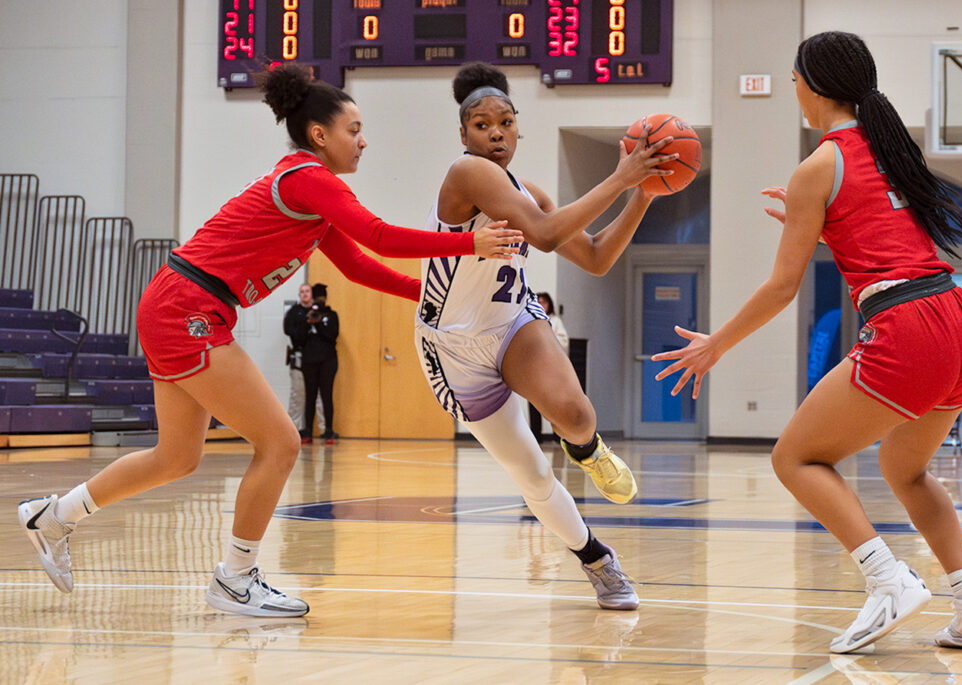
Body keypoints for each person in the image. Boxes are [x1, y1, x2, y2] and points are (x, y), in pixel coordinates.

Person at [17, 63, 522, 618]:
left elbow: (359, 267)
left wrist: (433, 299)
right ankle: (236, 578)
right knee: (281, 441)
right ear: (319, 135)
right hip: (188, 307)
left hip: (179, 304)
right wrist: (466, 244)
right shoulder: (307, 177)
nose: (363, 140)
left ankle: (53, 516)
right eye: (353, 130)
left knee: (177, 457)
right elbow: (378, 235)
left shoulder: (314, 193)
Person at [652, 31, 962, 652]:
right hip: (956, 321)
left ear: (813, 85)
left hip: (906, 326)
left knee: (795, 457)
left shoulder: (819, 165)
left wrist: (717, 344)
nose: (794, 93)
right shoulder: (891, 150)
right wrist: (823, 226)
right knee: (907, 470)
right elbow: (888, 240)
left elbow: (782, 287)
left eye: (793, 81)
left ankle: (888, 580)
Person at [414, 62, 675, 610]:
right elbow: (547, 236)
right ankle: (597, 559)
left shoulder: (525, 189)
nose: (495, 134)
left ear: (518, 129)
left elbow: (598, 257)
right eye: (482, 124)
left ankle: (587, 448)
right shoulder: (467, 173)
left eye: (505, 122)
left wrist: (643, 195)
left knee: (576, 415)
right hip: (454, 348)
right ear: (464, 135)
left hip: (511, 322)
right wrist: (623, 177)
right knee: (531, 475)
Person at [293, 282, 339, 444]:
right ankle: (308, 432)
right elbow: (298, 338)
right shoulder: (306, 315)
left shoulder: (331, 315)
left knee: (326, 395)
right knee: (310, 396)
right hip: (309, 360)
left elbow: (332, 336)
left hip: (328, 361)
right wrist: (307, 323)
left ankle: (328, 431)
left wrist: (319, 324)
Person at [283, 282, 324, 435]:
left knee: (320, 396)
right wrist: (305, 323)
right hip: (300, 357)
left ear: (312, 294)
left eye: (307, 291)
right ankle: (291, 431)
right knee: (297, 395)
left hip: (318, 358)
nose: (305, 294)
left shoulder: (321, 310)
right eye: (302, 292)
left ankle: (324, 430)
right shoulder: (294, 312)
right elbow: (288, 330)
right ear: (299, 295)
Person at [529, 292, 569, 440]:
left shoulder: (555, 321)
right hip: (534, 367)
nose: (541, 305)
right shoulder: (530, 320)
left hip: (552, 367)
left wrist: (547, 341)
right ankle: (536, 436)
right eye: (538, 302)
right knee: (534, 402)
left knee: (555, 402)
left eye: (544, 302)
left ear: (549, 305)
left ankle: (558, 435)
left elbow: (563, 342)